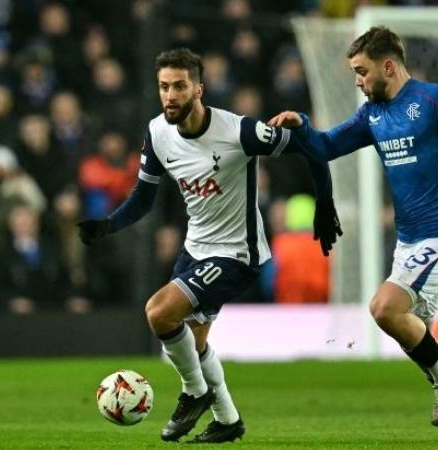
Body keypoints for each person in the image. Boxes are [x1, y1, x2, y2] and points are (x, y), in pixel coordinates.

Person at [268, 27, 438, 440]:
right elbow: (326, 147)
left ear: (389, 66)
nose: (357, 81)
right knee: (409, 331)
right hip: (409, 241)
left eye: (362, 72)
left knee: (384, 308)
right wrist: (301, 127)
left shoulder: (435, 99)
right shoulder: (372, 114)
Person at [77, 48, 341, 443]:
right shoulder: (157, 132)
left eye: (179, 86)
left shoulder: (239, 132)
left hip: (237, 254)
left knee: (159, 313)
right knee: (193, 346)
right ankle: (228, 421)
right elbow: (144, 198)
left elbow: (313, 147)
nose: (170, 95)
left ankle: (195, 394)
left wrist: (324, 203)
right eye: (164, 87)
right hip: (195, 250)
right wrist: (109, 224)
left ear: (198, 89)